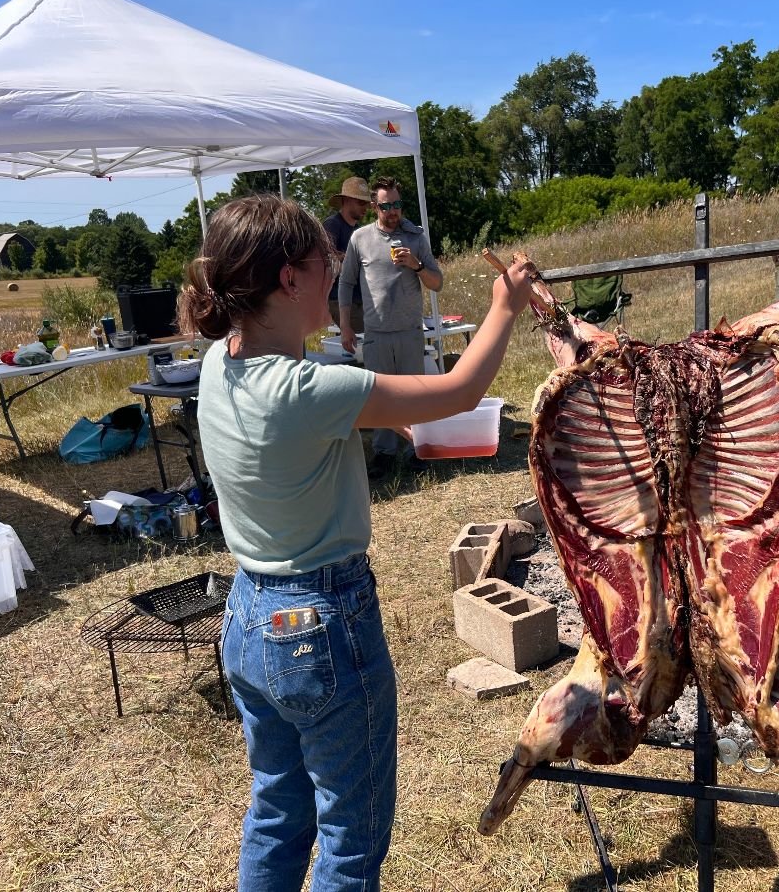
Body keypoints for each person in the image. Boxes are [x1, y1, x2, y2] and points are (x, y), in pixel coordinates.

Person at [178, 195, 534, 892]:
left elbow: (319, 430)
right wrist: (506, 305)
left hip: (251, 616)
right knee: (351, 833)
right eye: (324, 261)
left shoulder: (220, 363)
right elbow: (462, 391)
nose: (333, 271)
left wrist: (397, 419)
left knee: (278, 811)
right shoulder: (311, 388)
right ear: (288, 279)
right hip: (322, 624)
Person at [337, 176, 443, 479]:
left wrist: (417, 266)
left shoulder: (415, 237)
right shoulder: (360, 239)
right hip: (376, 333)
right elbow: (346, 284)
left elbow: (438, 283)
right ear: (374, 207)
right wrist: (345, 326)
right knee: (379, 398)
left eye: (397, 204)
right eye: (386, 206)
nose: (394, 211)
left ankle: (417, 450)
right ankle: (384, 454)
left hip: (409, 331)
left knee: (414, 396)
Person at [323, 176, 370, 335]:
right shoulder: (332, 225)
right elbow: (328, 263)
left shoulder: (360, 231)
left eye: (367, 203)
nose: (366, 208)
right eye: (361, 202)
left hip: (359, 300)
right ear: (347, 200)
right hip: (339, 300)